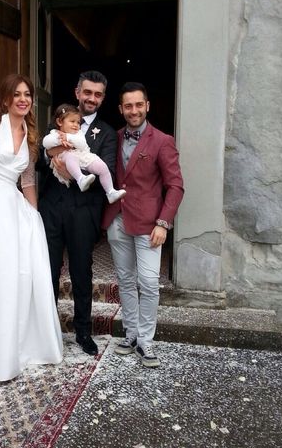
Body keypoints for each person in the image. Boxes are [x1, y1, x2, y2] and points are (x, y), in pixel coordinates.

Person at [0, 74, 63, 383]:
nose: (23, 99)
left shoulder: (31, 134)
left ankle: (13, 346)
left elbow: (28, 179)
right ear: (7, 99)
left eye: (27, 94)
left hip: (14, 206)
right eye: (17, 94)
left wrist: (33, 214)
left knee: (16, 275)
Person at [102, 82, 184, 368]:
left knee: (148, 282)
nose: (134, 110)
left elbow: (175, 186)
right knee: (125, 280)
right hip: (118, 219)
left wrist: (163, 223)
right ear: (121, 109)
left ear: (147, 106)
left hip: (150, 224)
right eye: (128, 106)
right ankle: (131, 334)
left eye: (139, 105)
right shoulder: (113, 137)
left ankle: (146, 340)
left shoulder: (162, 141)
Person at [37, 70, 117, 356]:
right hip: (51, 207)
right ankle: (46, 332)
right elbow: (38, 161)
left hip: (84, 210)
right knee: (48, 269)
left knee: (81, 271)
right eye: (87, 92)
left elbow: (108, 168)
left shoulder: (107, 133)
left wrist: (71, 169)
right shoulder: (58, 123)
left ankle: (83, 330)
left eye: (97, 94)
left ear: (103, 98)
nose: (91, 98)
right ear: (77, 92)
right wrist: (49, 155)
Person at [43, 103, 126, 203]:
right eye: (72, 121)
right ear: (59, 122)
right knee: (70, 157)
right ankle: (80, 178)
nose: (76, 125)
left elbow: (82, 144)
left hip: (82, 157)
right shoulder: (55, 132)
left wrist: (68, 137)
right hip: (64, 157)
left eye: (78, 122)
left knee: (102, 166)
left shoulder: (79, 133)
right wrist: (59, 141)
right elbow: (46, 143)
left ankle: (110, 191)